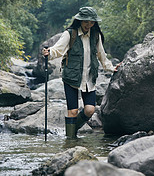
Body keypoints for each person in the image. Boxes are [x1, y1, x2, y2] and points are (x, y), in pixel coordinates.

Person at [41, 7, 119, 138]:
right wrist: (49, 52)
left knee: (90, 110)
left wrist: (111, 68)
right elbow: (58, 49)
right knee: (73, 111)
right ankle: (70, 141)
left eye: (92, 22)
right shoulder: (70, 34)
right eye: (86, 22)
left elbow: (101, 54)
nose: (89, 25)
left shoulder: (95, 35)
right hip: (71, 77)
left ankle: (71, 130)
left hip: (89, 78)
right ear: (80, 21)